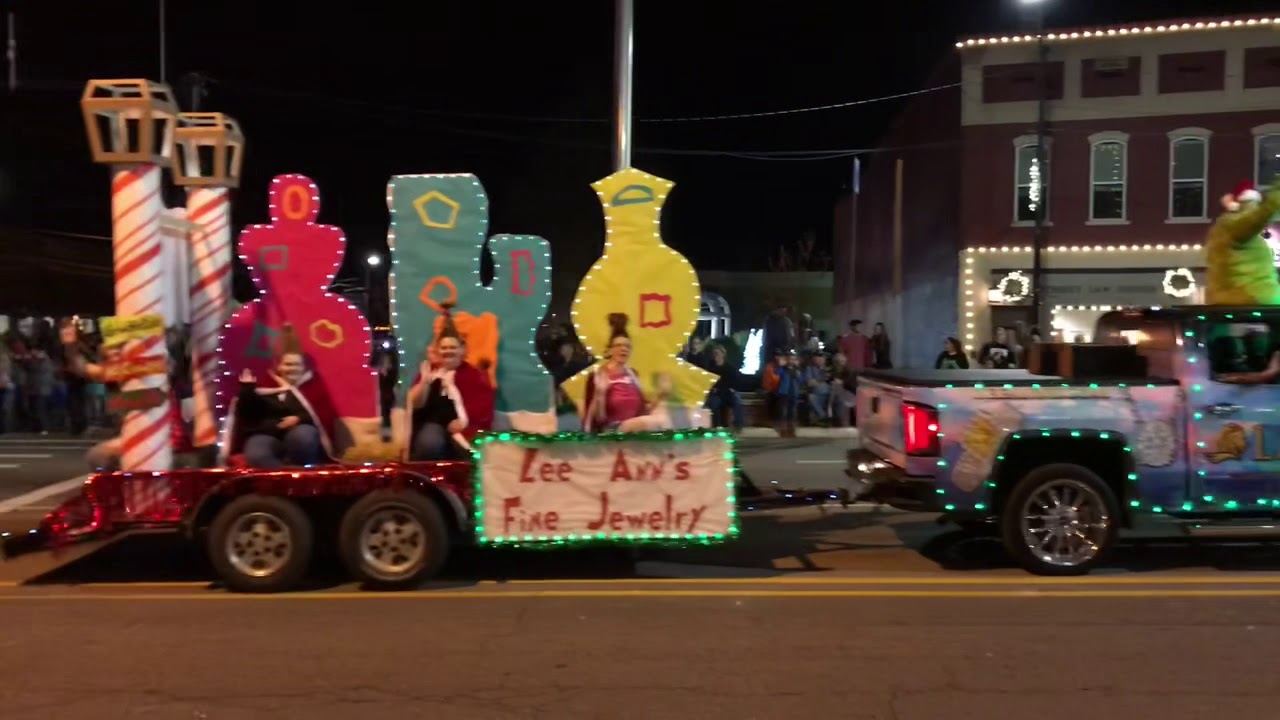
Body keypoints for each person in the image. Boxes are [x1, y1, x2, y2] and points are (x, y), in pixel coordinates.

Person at [229, 325, 329, 469]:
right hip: (266, 434)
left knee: (304, 439)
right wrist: (247, 391)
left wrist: (299, 418)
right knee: (257, 455)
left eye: (297, 365)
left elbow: (323, 415)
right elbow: (247, 414)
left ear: (303, 367)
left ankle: (303, 474)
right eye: (288, 364)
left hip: (299, 434)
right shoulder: (266, 383)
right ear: (279, 366)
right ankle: (286, 475)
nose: (292, 368)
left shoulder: (312, 387)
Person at [407, 302, 495, 460]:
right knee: (429, 442)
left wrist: (463, 422)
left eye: (453, 348)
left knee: (466, 447)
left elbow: (484, 408)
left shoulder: (474, 375)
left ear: (462, 351)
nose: (448, 351)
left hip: (466, 427)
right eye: (444, 348)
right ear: (438, 351)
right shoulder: (431, 372)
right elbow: (415, 403)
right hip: (435, 424)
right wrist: (424, 383)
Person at [582, 313, 671, 432]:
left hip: (634, 431)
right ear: (609, 350)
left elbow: (643, 412)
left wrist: (661, 394)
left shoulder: (633, 375)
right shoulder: (599, 375)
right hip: (612, 431)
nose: (623, 349)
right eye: (618, 345)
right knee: (659, 421)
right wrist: (601, 394)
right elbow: (598, 420)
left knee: (661, 415)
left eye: (627, 346)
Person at [704, 343, 744, 431]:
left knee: (737, 400)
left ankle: (738, 425)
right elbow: (710, 383)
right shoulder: (711, 368)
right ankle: (717, 426)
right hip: (716, 393)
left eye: (717, 353)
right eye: (714, 353)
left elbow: (734, 382)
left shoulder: (730, 368)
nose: (716, 356)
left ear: (723, 354)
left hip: (727, 392)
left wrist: (730, 388)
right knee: (714, 403)